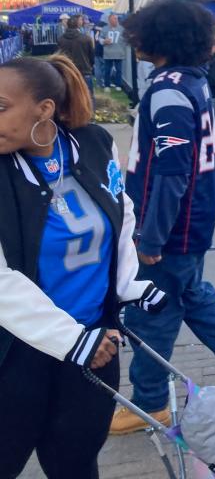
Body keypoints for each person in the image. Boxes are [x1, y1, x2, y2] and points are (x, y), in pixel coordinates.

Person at [111, 0, 215, 435]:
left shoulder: (167, 89)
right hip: (191, 223)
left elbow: (170, 170)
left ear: (159, 37)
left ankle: (150, 403)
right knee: (192, 295)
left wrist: (150, 236)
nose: (134, 39)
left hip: (170, 228)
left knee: (152, 312)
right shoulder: (190, 81)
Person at [0, 55, 165, 478]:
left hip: (96, 347)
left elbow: (120, 211)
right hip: (16, 357)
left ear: (44, 108)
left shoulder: (94, 143)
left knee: (76, 465)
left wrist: (128, 284)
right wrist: (70, 340)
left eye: (1, 107)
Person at [57, 14, 96, 99]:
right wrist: (90, 66)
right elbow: (92, 57)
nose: (83, 22)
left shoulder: (61, 39)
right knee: (88, 97)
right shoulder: (86, 39)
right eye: (81, 20)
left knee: (70, 98)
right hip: (84, 71)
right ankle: (89, 112)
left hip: (67, 70)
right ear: (78, 24)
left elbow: (59, 55)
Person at [99, 14, 127, 89]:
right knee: (107, 70)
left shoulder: (122, 28)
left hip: (119, 52)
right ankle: (107, 85)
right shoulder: (105, 28)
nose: (116, 20)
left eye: (116, 19)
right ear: (109, 20)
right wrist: (104, 41)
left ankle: (118, 85)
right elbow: (100, 39)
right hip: (108, 52)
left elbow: (126, 39)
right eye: (114, 19)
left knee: (119, 70)